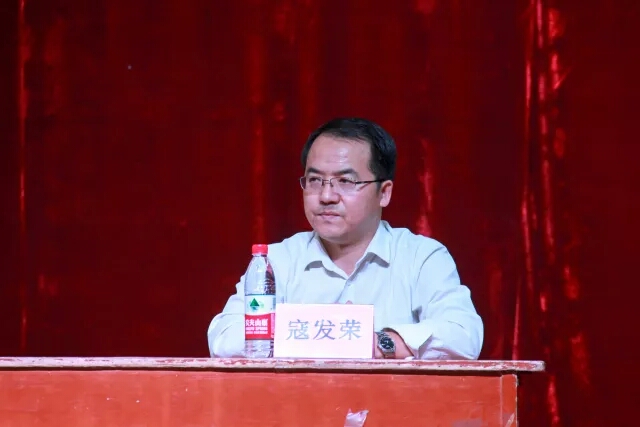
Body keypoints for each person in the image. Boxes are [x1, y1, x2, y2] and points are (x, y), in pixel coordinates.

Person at [207, 117, 483, 359]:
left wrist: (377, 343)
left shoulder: (421, 257)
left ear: (384, 193)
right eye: (315, 180)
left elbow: (464, 335)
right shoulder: (276, 261)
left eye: (346, 181)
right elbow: (224, 336)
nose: (326, 196)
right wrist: (324, 334)